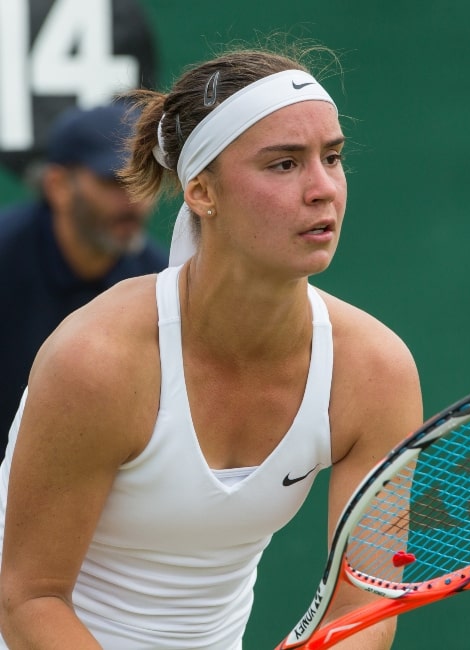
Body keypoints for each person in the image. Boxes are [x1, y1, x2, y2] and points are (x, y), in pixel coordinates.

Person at [0, 42, 423, 650]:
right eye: (284, 164)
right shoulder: (99, 361)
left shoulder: (374, 370)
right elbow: (29, 599)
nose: (323, 188)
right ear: (202, 192)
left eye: (332, 157)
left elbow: (367, 601)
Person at [0, 101, 168, 444]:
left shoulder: (161, 284)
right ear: (58, 185)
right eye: (115, 180)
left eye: (144, 179)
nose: (135, 199)